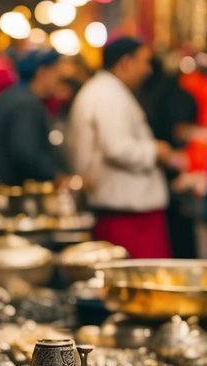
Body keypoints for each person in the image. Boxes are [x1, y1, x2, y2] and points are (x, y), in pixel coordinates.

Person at [69, 36, 173, 259]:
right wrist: (157, 151)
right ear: (126, 62)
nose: (149, 70)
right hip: (127, 215)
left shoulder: (104, 90)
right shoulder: (108, 94)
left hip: (125, 211)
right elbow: (117, 148)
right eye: (145, 61)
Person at [138, 57, 199, 259]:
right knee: (181, 236)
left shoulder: (141, 95)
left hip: (152, 172)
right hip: (169, 168)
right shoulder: (178, 94)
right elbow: (183, 130)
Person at [0, 48, 64, 186]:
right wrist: (56, 175)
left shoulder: (11, 94)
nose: (58, 78)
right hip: (20, 189)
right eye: (56, 72)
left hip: (5, 182)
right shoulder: (28, 104)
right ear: (42, 73)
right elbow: (26, 152)